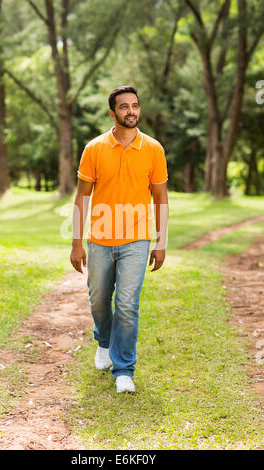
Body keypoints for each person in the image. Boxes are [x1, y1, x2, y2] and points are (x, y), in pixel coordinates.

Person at [70, 86, 169, 393]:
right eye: (124, 107)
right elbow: (81, 197)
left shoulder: (153, 149)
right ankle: (103, 341)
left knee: (126, 305)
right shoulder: (94, 148)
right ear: (112, 113)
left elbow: (161, 199)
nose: (131, 111)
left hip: (137, 240)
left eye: (135, 106)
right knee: (99, 299)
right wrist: (76, 242)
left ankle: (123, 369)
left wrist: (161, 241)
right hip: (99, 239)